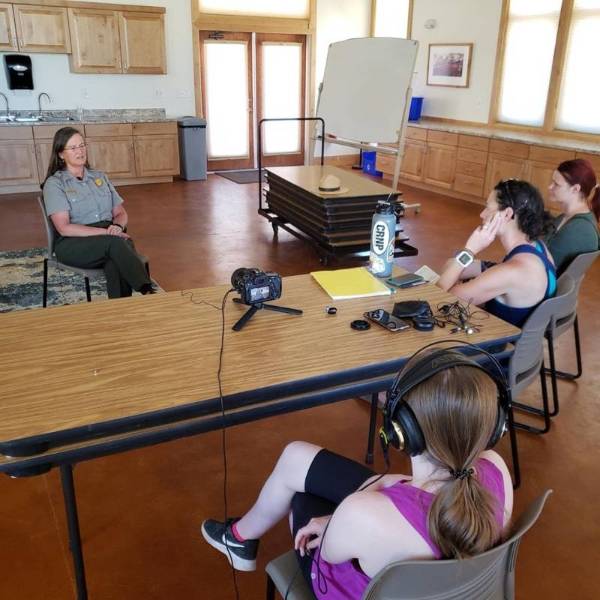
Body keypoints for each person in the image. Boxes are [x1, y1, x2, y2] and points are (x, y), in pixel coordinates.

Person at [201, 349, 513, 599]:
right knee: (297, 457)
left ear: (402, 433)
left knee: (301, 494)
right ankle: (239, 537)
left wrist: (338, 521)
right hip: (458, 585)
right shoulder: (495, 467)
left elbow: (329, 552)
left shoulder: (361, 514)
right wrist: (387, 492)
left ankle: (239, 538)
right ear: (493, 426)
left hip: (347, 585)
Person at [42, 127, 155, 298]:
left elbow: (120, 212)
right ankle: (147, 290)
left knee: (115, 259)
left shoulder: (100, 177)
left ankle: (121, 312)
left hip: (110, 238)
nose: (80, 151)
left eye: (82, 145)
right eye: (73, 148)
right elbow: (64, 228)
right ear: (60, 154)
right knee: (118, 244)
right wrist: (108, 233)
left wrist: (117, 226)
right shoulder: (55, 184)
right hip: (74, 242)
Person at [437, 179, 556, 327]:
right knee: (451, 264)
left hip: (499, 345)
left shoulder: (513, 271)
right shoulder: (538, 246)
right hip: (519, 333)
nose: (482, 214)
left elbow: (439, 302)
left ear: (507, 214)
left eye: (487, 207)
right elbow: (451, 265)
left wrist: (470, 250)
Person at [545, 158, 600, 275]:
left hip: (542, 287)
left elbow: (543, 265)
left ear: (575, 189)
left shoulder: (580, 229)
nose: (550, 187)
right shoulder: (565, 217)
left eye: (556, 184)